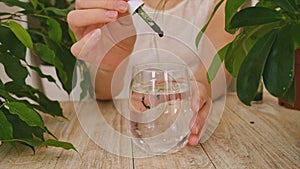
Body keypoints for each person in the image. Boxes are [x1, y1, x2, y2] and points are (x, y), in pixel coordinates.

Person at [67, 0, 234, 146]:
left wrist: (199, 87)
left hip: (187, 122)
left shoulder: (218, 4)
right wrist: (108, 67)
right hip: (117, 131)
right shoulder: (109, 7)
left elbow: (216, 68)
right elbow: (101, 91)